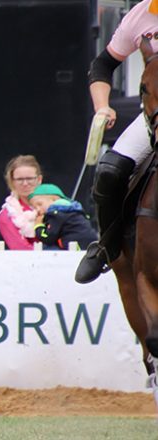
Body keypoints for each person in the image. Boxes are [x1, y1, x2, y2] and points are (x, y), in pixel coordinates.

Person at [75, 0, 158, 283]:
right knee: (110, 171)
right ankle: (106, 247)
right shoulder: (143, 14)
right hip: (154, 117)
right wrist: (102, 106)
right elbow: (103, 65)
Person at [28, 183, 98, 250]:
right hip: (89, 244)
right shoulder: (72, 211)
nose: (37, 209)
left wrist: (38, 226)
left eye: (40, 204)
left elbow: (48, 237)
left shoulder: (56, 214)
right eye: (34, 207)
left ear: (55, 200)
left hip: (76, 245)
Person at [0, 155, 43, 250]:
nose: (25, 183)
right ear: (12, 182)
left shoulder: (54, 206)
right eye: (20, 179)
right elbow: (20, 249)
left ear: (39, 180)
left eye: (30, 178)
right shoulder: (8, 214)